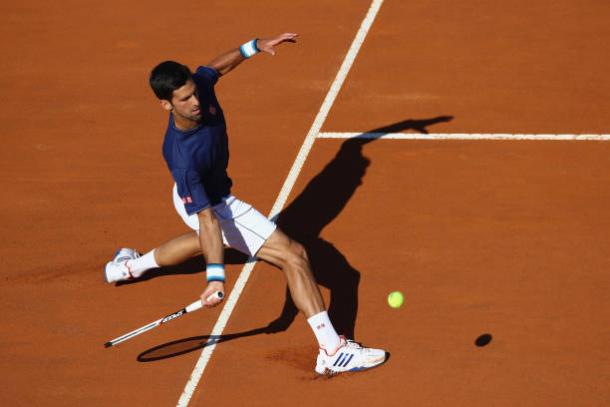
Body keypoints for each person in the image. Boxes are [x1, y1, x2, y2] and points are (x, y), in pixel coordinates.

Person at [104, 33, 386, 375]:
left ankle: (128, 266)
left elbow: (214, 69)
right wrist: (215, 277)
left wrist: (252, 48)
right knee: (293, 255)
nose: (195, 101)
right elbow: (208, 220)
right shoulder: (183, 159)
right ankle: (332, 349)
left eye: (194, 92)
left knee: (203, 242)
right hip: (215, 205)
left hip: (193, 199)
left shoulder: (200, 87)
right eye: (185, 98)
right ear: (167, 105)